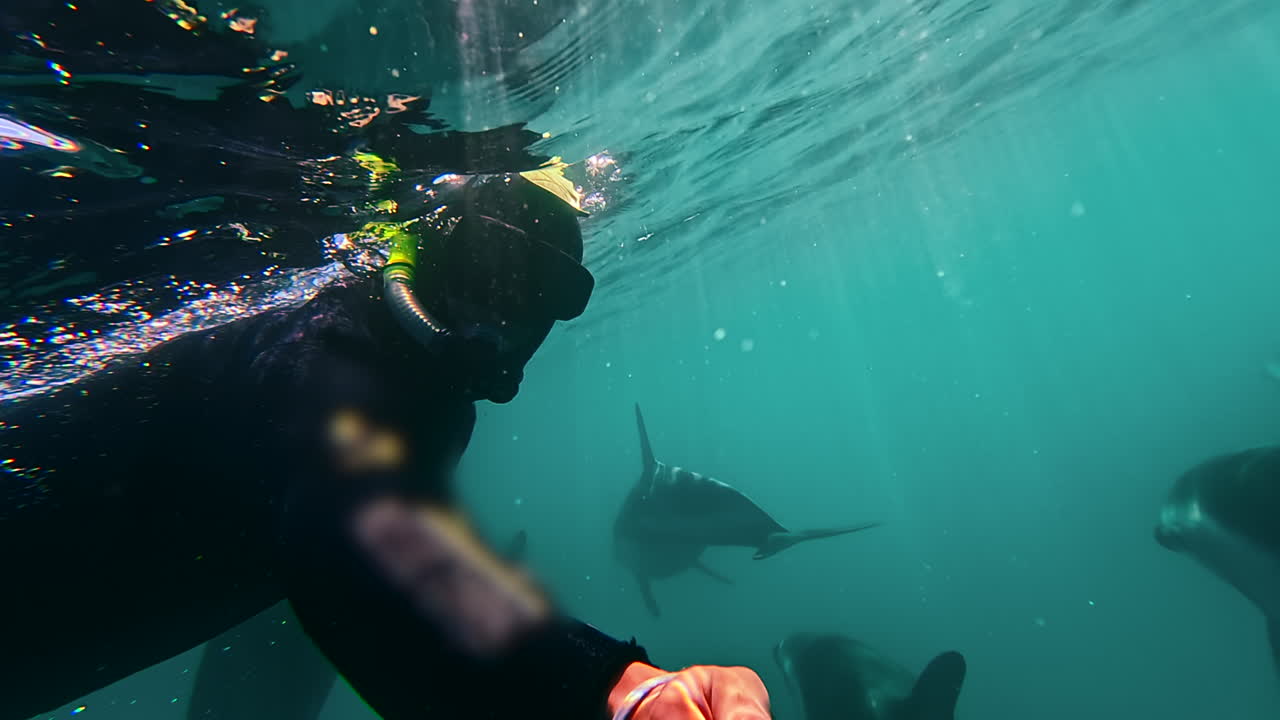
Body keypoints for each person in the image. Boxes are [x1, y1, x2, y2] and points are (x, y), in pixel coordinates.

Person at [0, 158, 771, 720]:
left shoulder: (425, 394)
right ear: (427, 254)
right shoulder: (335, 352)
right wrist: (615, 690)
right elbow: (355, 542)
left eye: (540, 294)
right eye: (486, 270)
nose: (498, 320)